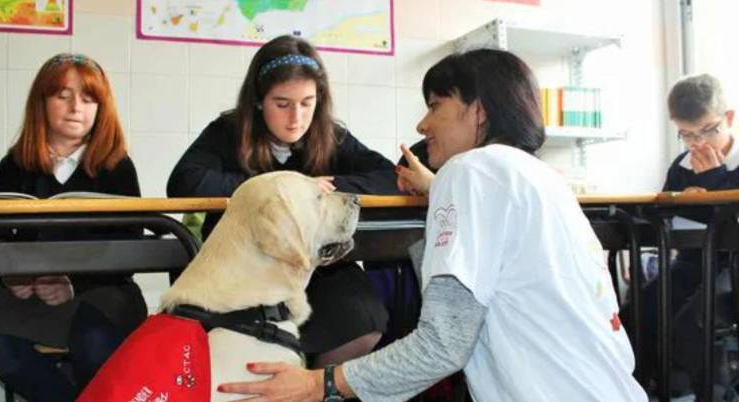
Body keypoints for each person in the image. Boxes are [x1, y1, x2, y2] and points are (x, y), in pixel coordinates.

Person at [216, 48, 647, 401]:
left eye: (436, 106)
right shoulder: (535, 176)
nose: (423, 125)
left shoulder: (471, 173)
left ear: (477, 111)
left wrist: (319, 384)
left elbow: (443, 343)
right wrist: (438, 189)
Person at [166, 35, 400, 368]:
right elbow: (183, 182)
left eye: (308, 102)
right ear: (259, 101)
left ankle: (313, 386)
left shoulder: (331, 136)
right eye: (282, 103)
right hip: (247, 267)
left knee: (365, 319)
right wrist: (274, 188)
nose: (296, 118)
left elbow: (390, 177)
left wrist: (322, 189)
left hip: (314, 267)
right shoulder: (228, 131)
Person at [0, 53, 148, 402]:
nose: (75, 108)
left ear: (101, 107)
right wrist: (13, 276)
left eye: (88, 99)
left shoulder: (117, 166)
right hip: (29, 290)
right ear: (42, 103)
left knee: (95, 342)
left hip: (101, 289)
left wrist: (72, 283)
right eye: (62, 96)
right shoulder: (15, 164)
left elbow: (129, 244)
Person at [632, 73, 738, 398]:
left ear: (729, 118)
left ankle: (714, 394)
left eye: (708, 130)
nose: (699, 144)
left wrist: (715, 179)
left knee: (689, 326)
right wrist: (680, 199)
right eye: (687, 135)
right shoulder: (682, 165)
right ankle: (643, 390)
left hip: (731, 270)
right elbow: (662, 211)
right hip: (690, 264)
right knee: (638, 313)